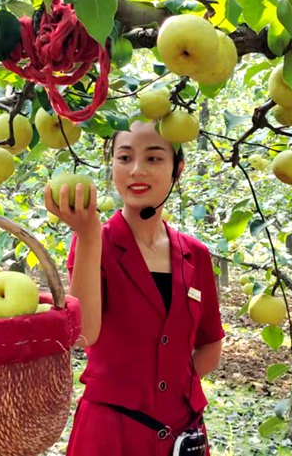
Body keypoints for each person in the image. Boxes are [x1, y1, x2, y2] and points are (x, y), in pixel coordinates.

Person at [45, 120, 225, 456]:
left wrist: (169, 386)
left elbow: (210, 345)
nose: (136, 171)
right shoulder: (95, 242)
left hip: (183, 433)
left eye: (154, 159)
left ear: (178, 169)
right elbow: (84, 335)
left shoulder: (195, 254)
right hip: (111, 433)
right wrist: (86, 235)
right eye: (124, 158)